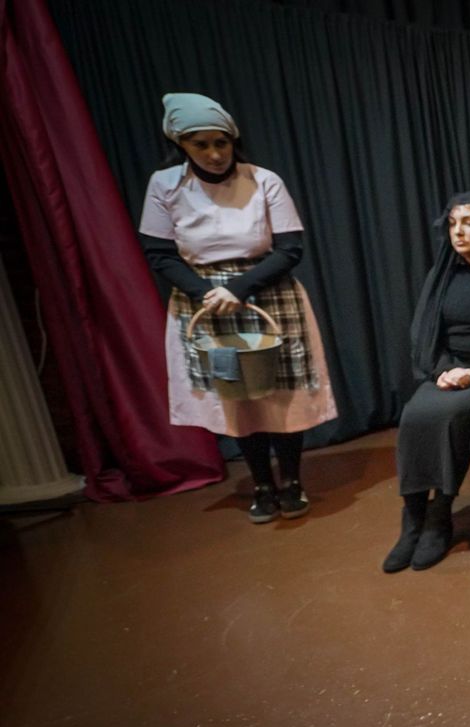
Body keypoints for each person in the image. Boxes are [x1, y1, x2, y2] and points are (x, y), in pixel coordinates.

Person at [138, 92, 338, 522]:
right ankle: (261, 484)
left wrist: (240, 288)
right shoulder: (166, 186)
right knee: (237, 395)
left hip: (266, 291)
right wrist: (205, 292)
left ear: (233, 141)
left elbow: (289, 247)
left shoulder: (263, 180)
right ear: (181, 146)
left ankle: (293, 481)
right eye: (201, 144)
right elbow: (160, 252)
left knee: (280, 393)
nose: (213, 153)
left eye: (220, 143)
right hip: (204, 302)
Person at [381, 192, 470, 572]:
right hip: (448, 373)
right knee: (413, 415)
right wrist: (442, 370)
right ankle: (413, 519)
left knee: (450, 417)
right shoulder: (444, 273)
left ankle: (440, 514)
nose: (459, 232)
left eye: (469, 223)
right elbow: (426, 332)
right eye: (454, 224)